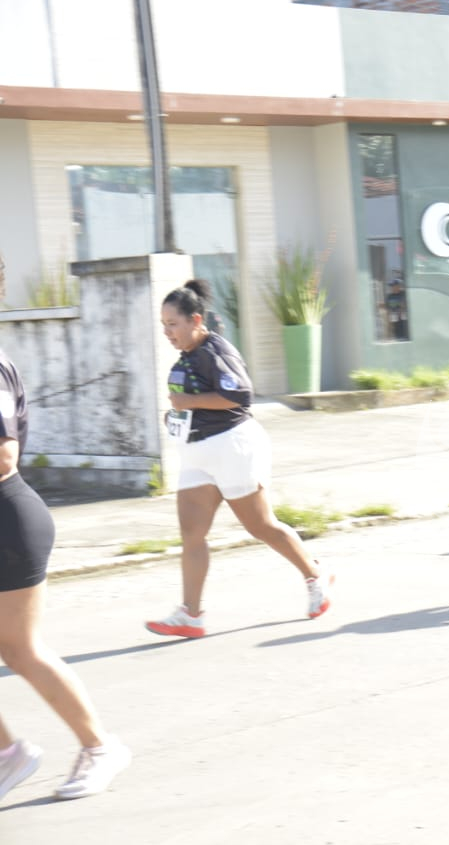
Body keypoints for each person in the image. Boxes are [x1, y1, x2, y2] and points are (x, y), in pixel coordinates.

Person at [145, 279, 333, 638]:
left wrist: (189, 403)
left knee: (260, 526)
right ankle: (190, 615)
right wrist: (177, 416)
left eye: (173, 324)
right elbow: (193, 401)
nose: (167, 332)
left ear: (195, 320)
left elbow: (240, 395)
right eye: (163, 325)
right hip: (197, 453)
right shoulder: (188, 355)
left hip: (233, 446)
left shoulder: (215, 351)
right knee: (192, 534)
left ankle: (315, 574)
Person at [0, 348, 131, 802]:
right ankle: (8, 755)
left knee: (21, 649)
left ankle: (100, 748)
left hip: (8, 523)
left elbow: (4, 456)